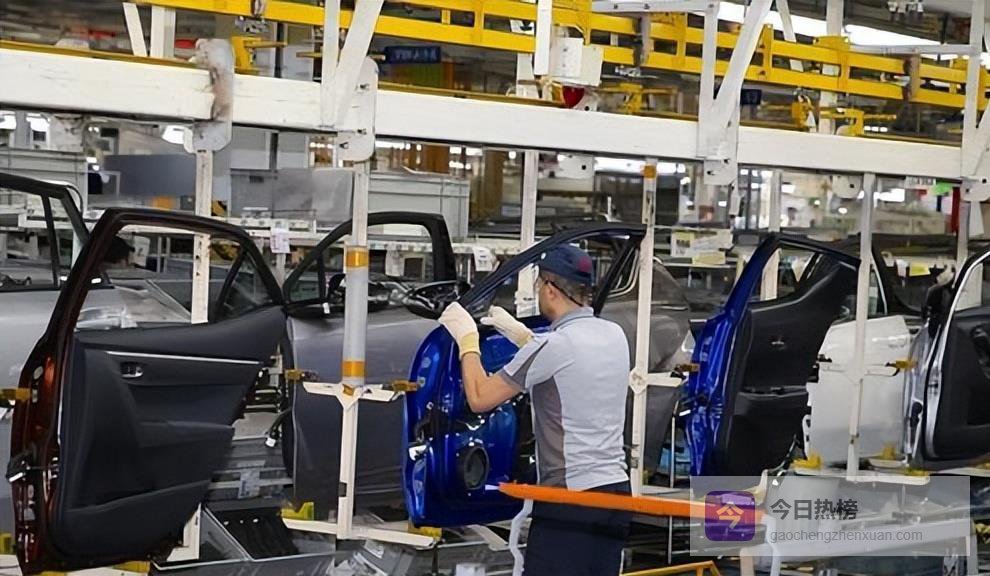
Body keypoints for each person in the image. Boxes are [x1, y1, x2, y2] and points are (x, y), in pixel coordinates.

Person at [438, 244, 632, 576]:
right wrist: (523, 337)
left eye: (540, 284)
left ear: (551, 290)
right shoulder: (613, 334)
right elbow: (573, 370)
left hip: (572, 501)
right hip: (616, 494)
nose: (539, 291)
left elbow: (479, 397)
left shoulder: (554, 345)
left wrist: (467, 340)